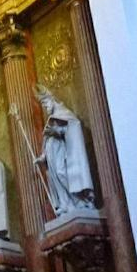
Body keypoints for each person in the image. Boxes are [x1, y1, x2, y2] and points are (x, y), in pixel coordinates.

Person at [34, 85, 96, 216]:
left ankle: (79, 200)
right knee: (55, 177)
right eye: (43, 106)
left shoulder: (64, 114)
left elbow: (73, 128)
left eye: (45, 103)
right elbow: (47, 142)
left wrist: (57, 130)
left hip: (61, 152)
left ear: (52, 99)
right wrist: (43, 157)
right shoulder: (51, 119)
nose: (45, 108)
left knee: (62, 174)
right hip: (52, 155)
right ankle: (65, 203)